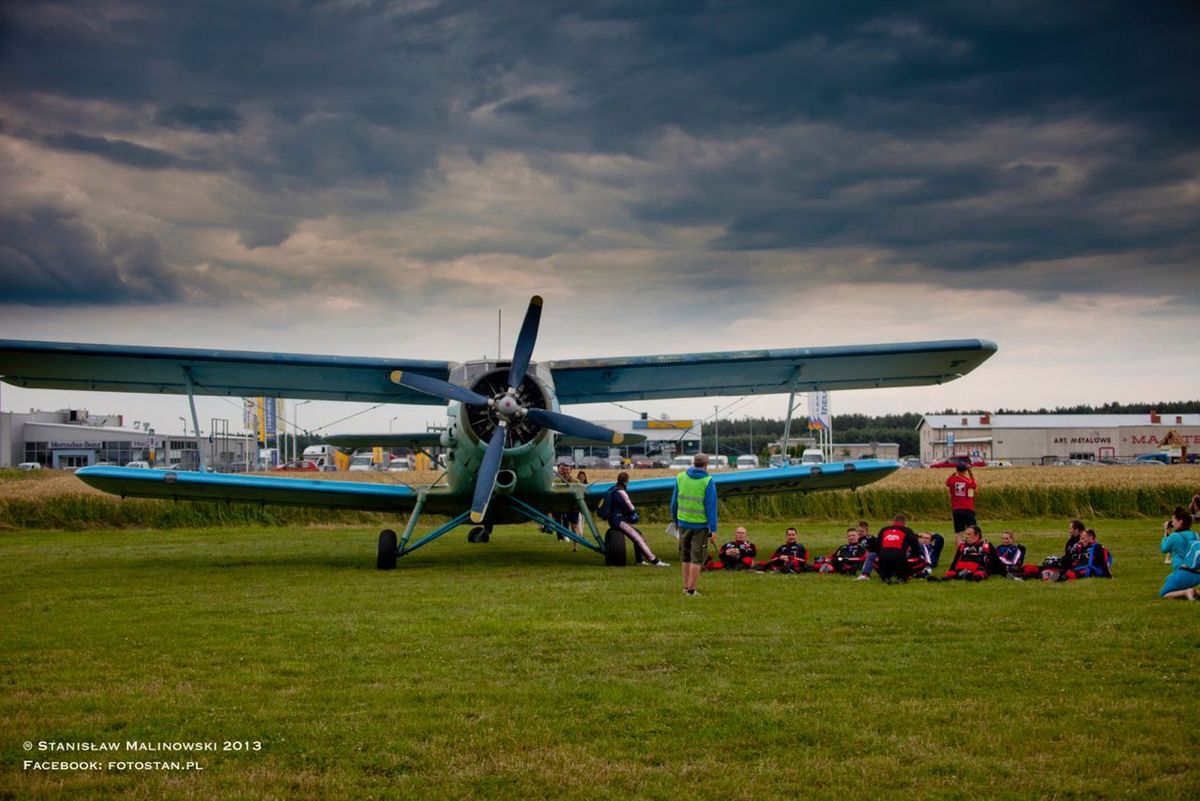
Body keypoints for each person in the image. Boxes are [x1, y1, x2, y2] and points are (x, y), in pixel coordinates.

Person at [671, 453, 718, 596]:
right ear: (706, 464)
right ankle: (691, 590)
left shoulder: (680, 477)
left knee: (685, 556)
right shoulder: (708, 481)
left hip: (683, 523)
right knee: (696, 558)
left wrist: (675, 520)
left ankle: (686, 587)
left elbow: (674, 503)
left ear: (694, 463)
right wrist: (713, 529)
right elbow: (711, 507)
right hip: (700, 525)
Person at [604, 472, 669, 568]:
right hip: (619, 520)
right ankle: (654, 561)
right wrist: (633, 515)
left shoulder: (612, 489)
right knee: (638, 538)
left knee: (638, 533)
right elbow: (630, 507)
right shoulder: (621, 492)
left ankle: (639, 560)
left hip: (614, 519)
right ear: (626, 481)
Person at [1159, 510, 1200, 600]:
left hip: (1182, 571)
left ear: (1180, 521)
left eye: (1173, 520)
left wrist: (1166, 533)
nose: (1172, 523)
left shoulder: (1174, 536)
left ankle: (1187, 592)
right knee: (1169, 578)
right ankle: (1195, 592)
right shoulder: (1195, 534)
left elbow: (1164, 548)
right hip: (1196, 573)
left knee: (1163, 594)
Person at [874, 514, 922, 583]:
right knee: (922, 562)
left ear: (893, 522)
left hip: (883, 558)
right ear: (905, 523)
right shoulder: (907, 530)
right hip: (900, 559)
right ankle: (902, 577)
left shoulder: (884, 529)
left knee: (877, 559)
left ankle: (886, 576)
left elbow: (877, 545)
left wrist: (879, 555)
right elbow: (915, 546)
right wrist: (914, 555)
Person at [946, 461, 978, 535]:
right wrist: (970, 473)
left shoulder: (952, 481)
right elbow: (974, 486)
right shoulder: (968, 481)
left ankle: (959, 546)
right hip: (968, 509)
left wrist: (953, 474)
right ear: (965, 470)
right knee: (973, 531)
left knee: (959, 533)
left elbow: (947, 482)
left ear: (957, 470)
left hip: (956, 509)